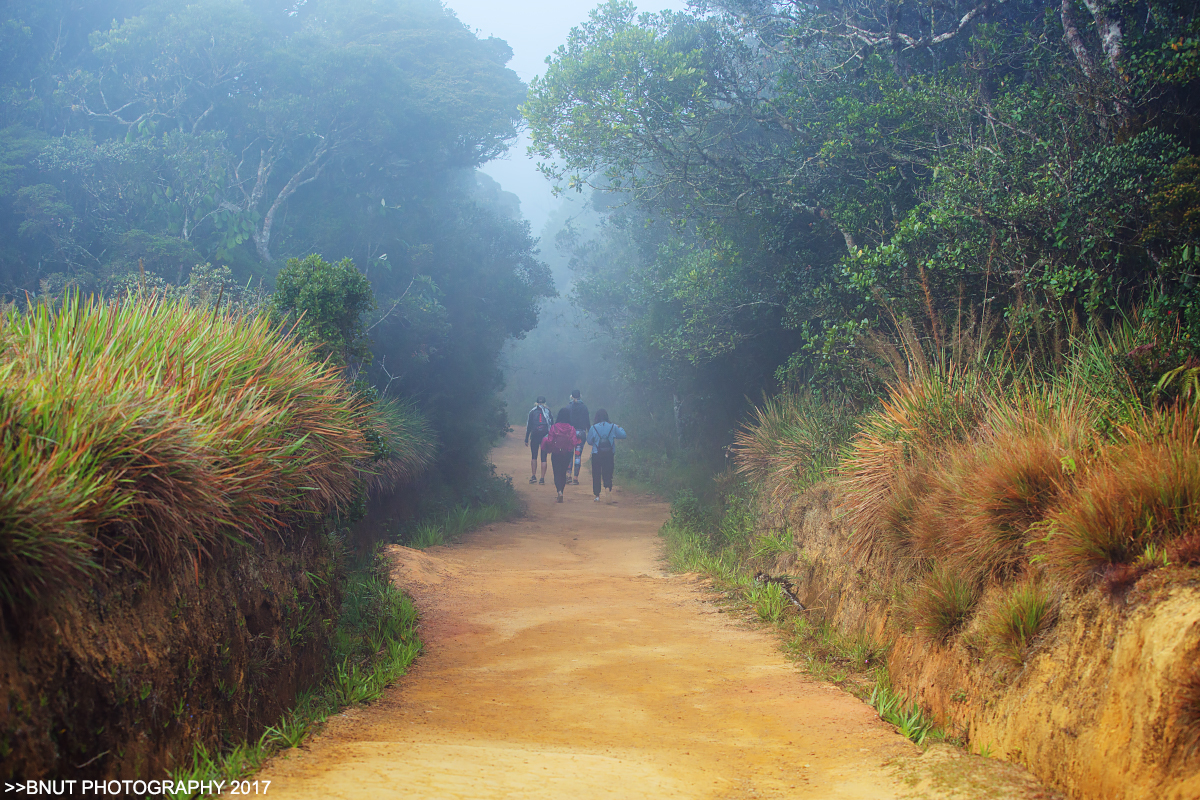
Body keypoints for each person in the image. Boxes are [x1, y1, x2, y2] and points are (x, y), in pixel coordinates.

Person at [586, 408, 626, 503]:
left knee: (596, 474)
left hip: (596, 453)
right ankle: (607, 488)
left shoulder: (594, 427)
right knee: (608, 472)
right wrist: (619, 427)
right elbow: (623, 435)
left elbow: (589, 441)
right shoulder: (613, 427)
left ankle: (597, 495)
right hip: (609, 454)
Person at [542, 407, 581, 502]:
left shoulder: (554, 427)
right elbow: (574, 442)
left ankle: (558, 491)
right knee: (563, 473)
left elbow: (550, 441)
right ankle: (561, 491)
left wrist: (549, 448)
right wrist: (569, 449)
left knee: (556, 472)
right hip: (566, 454)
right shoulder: (571, 428)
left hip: (555, 453)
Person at [524, 396, 553, 484]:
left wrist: (526, 438)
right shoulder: (548, 411)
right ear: (545, 403)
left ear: (536, 403)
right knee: (543, 458)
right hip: (545, 436)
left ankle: (533, 476)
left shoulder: (532, 411)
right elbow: (552, 425)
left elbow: (529, 426)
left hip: (535, 435)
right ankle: (542, 478)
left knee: (534, 456)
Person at [567, 389, 590, 485]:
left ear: (571, 396)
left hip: (570, 433)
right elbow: (587, 421)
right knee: (577, 455)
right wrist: (590, 432)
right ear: (580, 396)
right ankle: (576, 478)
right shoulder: (584, 407)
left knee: (569, 455)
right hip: (581, 433)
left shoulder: (568, 407)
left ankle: (568, 475)